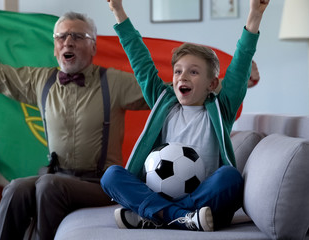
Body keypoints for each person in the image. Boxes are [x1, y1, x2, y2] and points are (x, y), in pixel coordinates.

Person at [0, 1, 149, 240]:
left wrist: (193, 82)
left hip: (101, 184)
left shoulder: (114, 82)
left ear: (93, 47)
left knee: (48, 185)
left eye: (77, 36)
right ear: (54, 48)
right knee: (16, 188)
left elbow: (157, 93)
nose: (68, 41)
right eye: (61, 37)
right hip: (57, 176)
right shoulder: (41, 81)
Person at [101, 0, 269, 232]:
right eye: (178, 71)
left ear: (211, 84)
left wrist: (254, 16)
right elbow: (140, 61)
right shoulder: (163, 102)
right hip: (163, 195)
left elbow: (240, 66)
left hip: (202, 197)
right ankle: (181, 217)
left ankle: (155, 215)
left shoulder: (222, 108)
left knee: (229, 177)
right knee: (111, 176)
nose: (183, 77)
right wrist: (118, 11)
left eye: (193, 72)